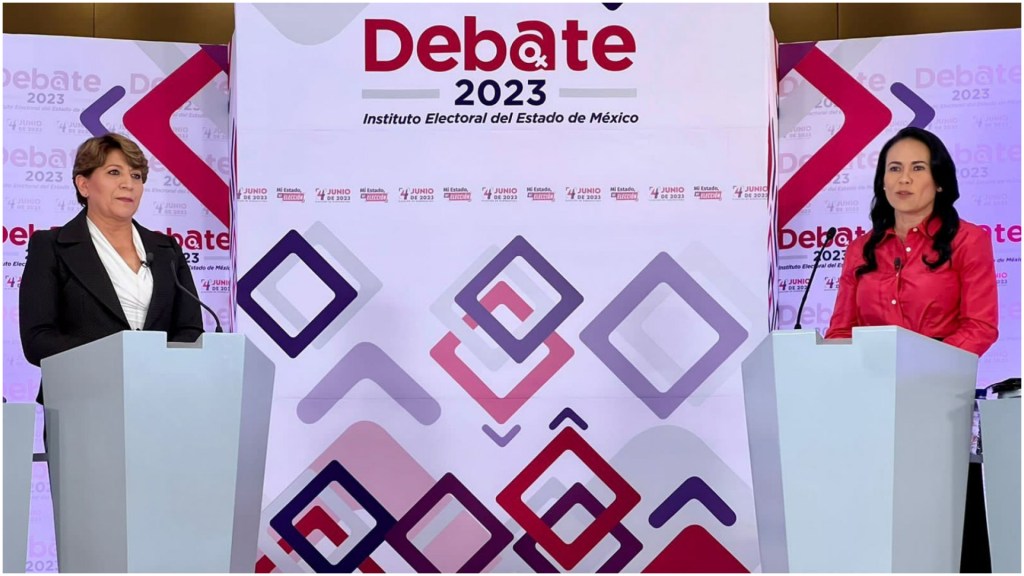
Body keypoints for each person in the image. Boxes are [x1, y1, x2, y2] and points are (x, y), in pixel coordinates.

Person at [20, 133, 204, 405]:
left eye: (137, 176)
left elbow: (191, 330)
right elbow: (38, 340)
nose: (128, 184)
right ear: (84, 185)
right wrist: (118, 362)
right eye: (114, 172)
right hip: (82, 401)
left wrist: (157, 367)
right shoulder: (51, 246)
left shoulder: (167, 249)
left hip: (160, 399)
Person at [825, 127, 998, 357]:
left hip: (940, 372)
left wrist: (923, 365)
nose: (904, 179)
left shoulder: (968, 240)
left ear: (939, 181)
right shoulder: (860, 249)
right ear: (883, 181)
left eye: (918, 168)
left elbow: (979, 326)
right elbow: (840, 331)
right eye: (895, 168)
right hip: (871, 372)